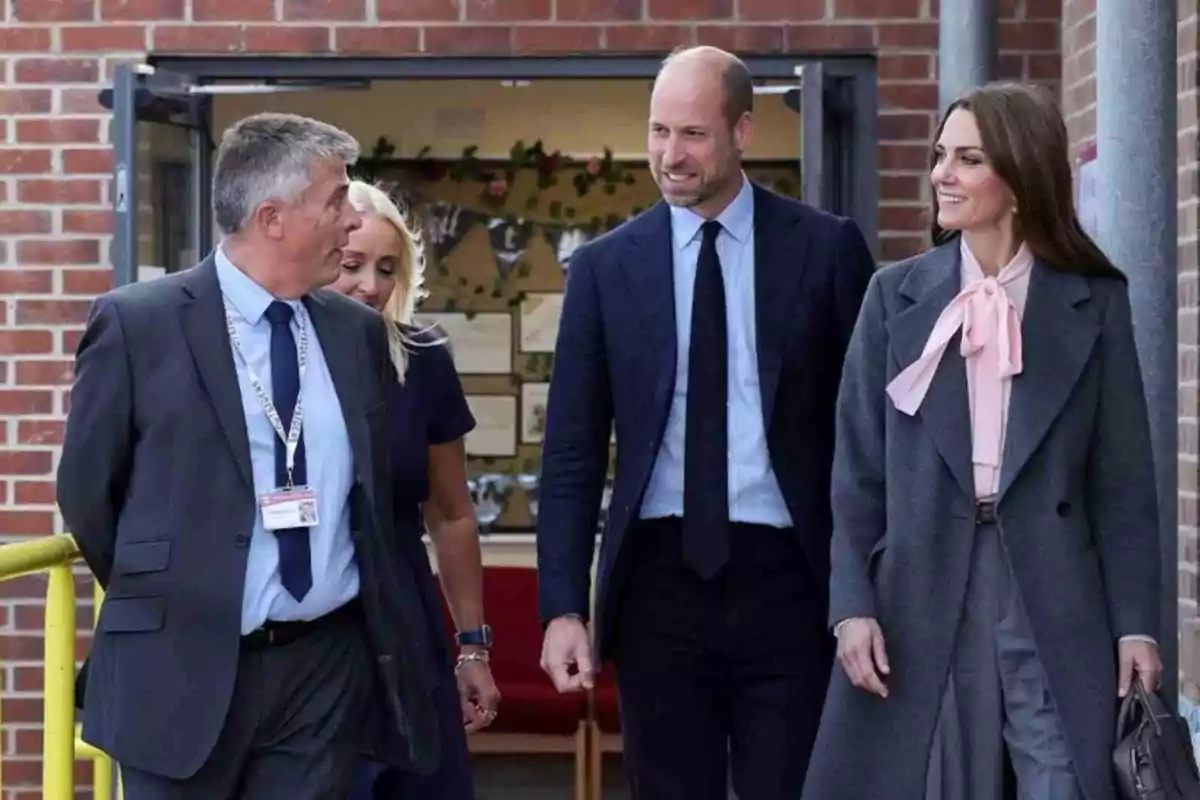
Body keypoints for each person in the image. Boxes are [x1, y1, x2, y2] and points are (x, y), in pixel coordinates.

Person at [57, 112, 440, 800]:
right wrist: (181, 590)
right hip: (178, 672)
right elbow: (89, 495)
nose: (352, 222)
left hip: (322, 675)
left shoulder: (354, 335)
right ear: (273, 217)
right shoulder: (137, 324)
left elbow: (369, 500)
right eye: (335, 201)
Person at [802, 82, 1163, 800]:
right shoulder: (891, 297)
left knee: (1062, 776)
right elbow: (855, 476)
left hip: (1053, 584)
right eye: (941, 155)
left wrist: (1137, 627)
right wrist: (852, 607)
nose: (942, 173)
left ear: (1021, 177)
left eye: (967, 158)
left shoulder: (1095, 300)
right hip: (923, 582)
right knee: (939, 780)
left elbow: (1122, 483)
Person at [535, 45, 876, 799]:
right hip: (659, 584)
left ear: (743, 132)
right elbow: (571, 453)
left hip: (791, 580)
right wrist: (561, 605)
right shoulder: (604, 269)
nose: (670, 155)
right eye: (658, 132)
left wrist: (867, 593)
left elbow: (868, 440)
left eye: (691, 134)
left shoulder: (825, 252)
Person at [332, 181, 500, 800]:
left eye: (386, 268)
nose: (370, 286)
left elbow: (452, 515)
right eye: (351, 265)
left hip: (406, 615)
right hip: (315, 630)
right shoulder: (276, 362)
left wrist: (472, 648)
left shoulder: (422, 358)